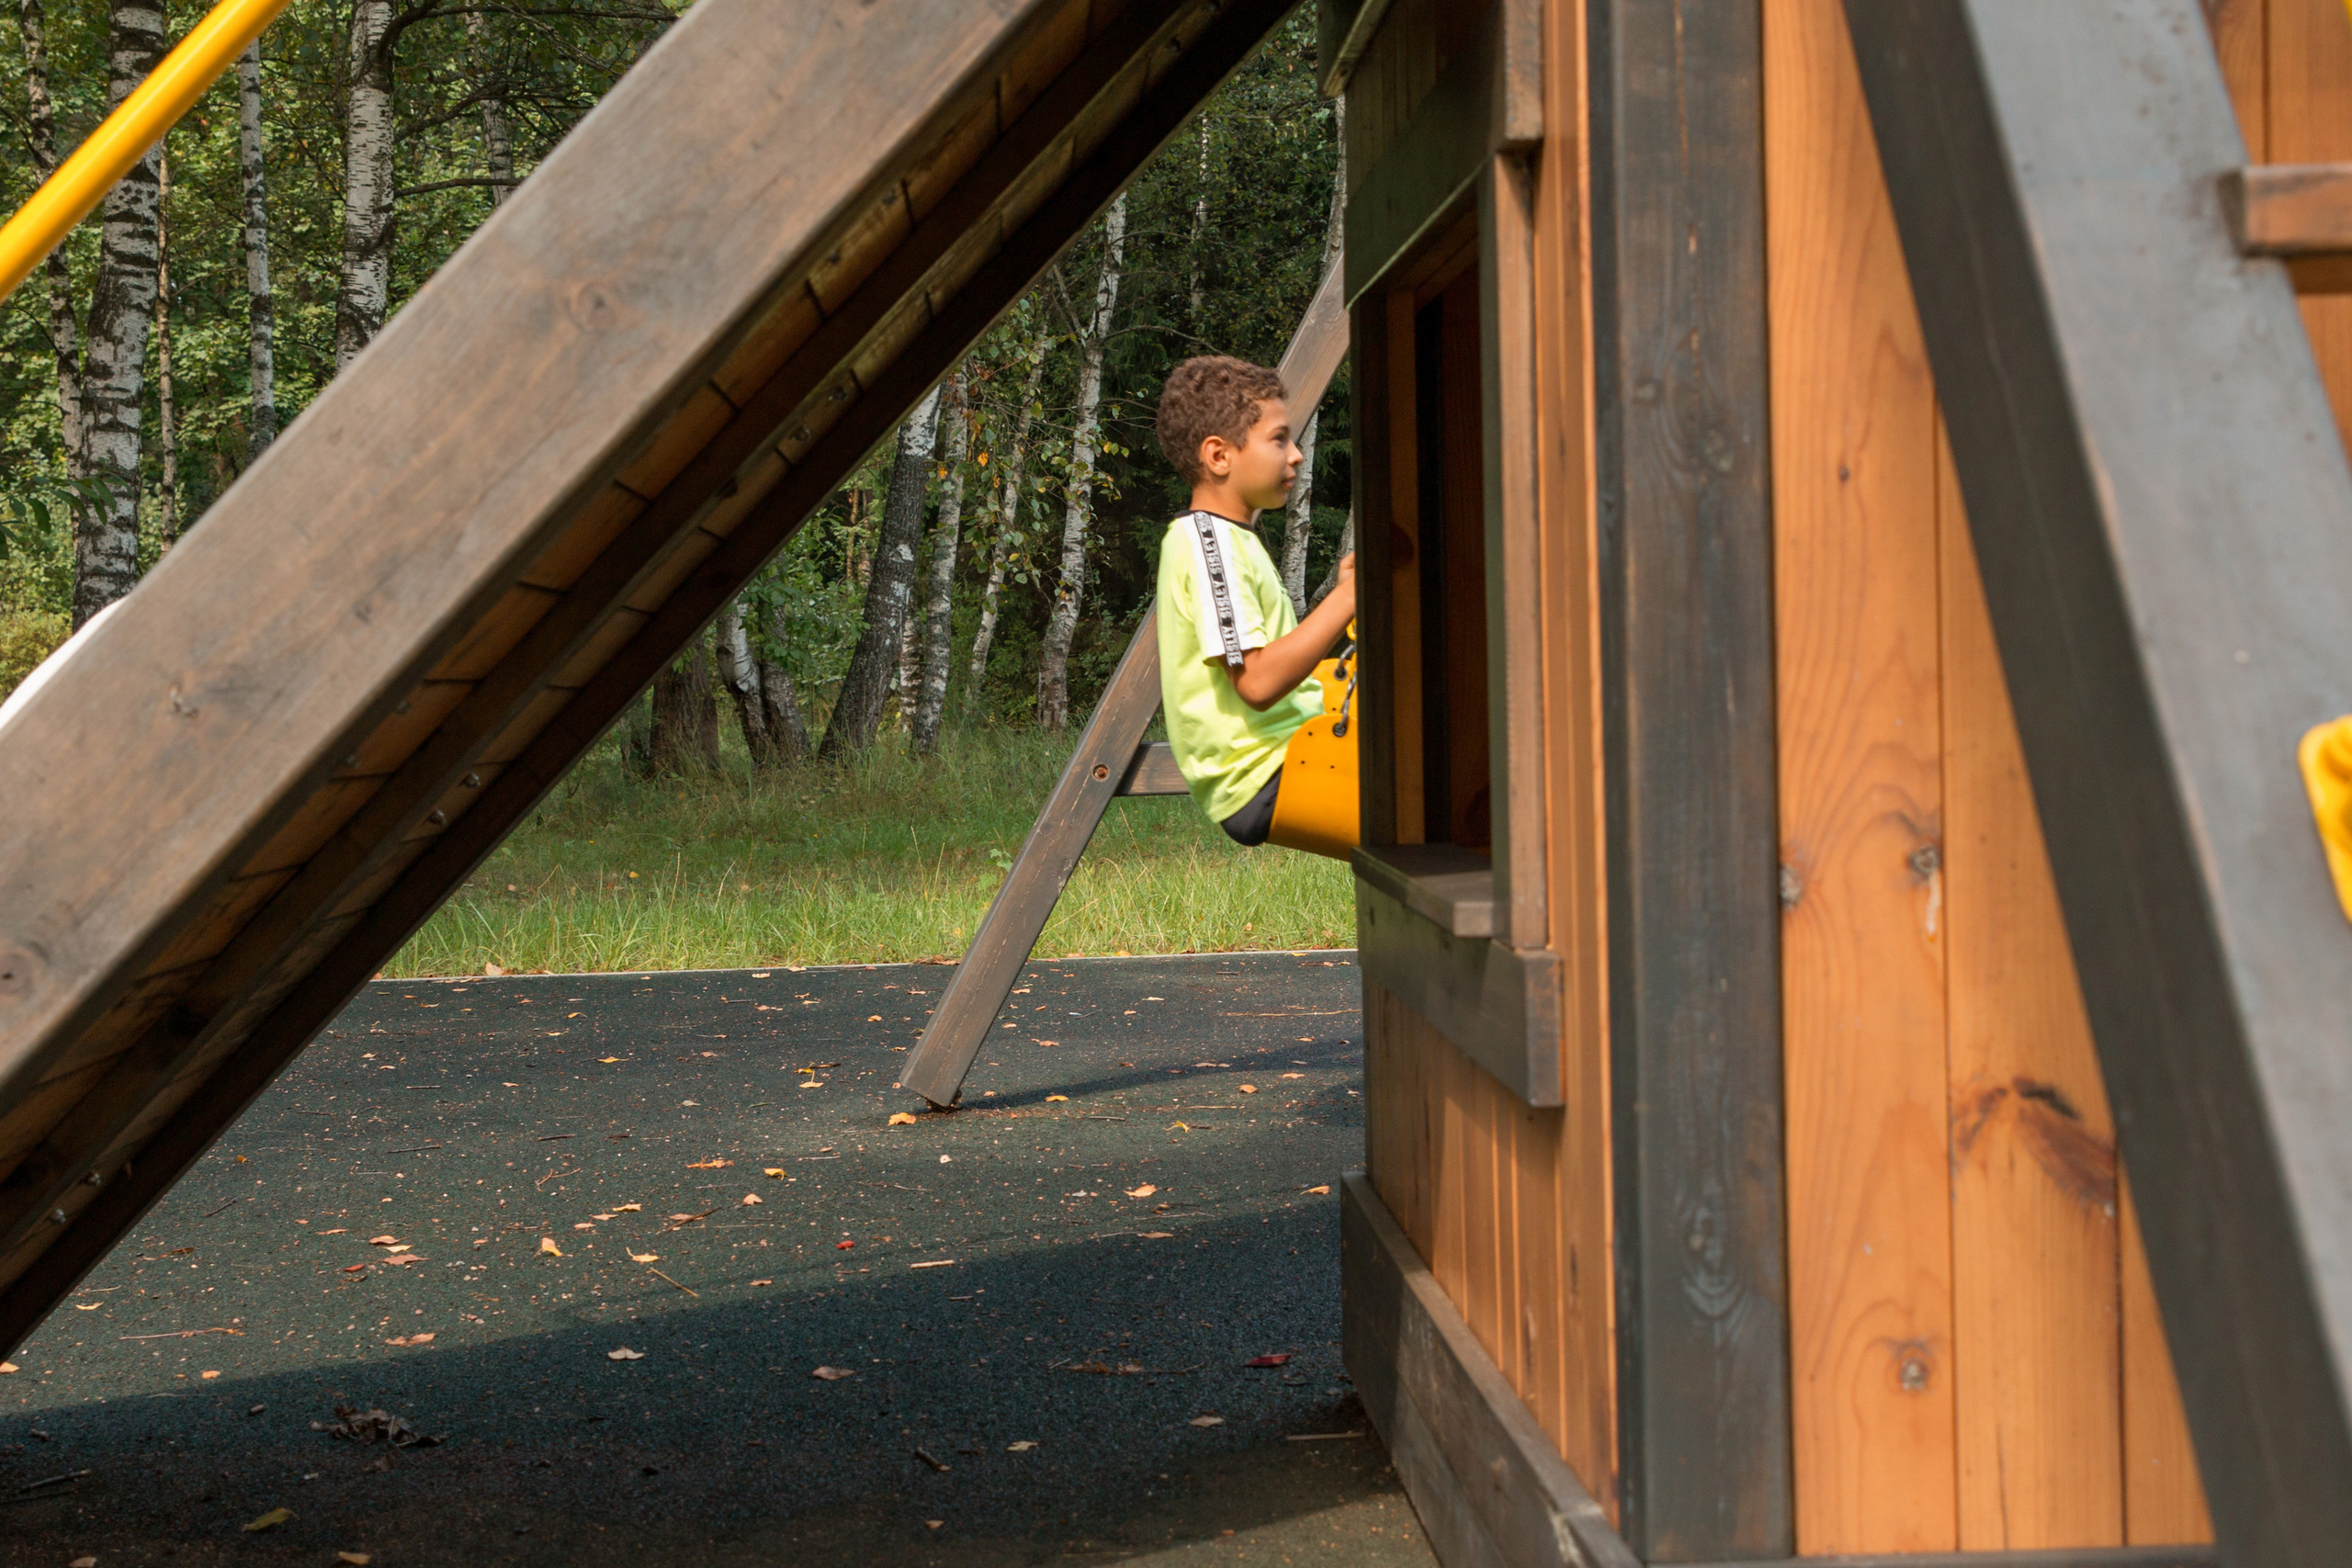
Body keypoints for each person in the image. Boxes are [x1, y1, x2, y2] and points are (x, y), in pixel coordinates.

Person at [1152, 355, 1356, 846]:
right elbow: (1258, 682)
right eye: (1279, 438)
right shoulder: (1208, 546)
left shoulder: (1232, 539)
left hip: (1287, 748)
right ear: (1219, 456)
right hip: (1264, 771)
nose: (1297, 455)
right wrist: (1346, 599)